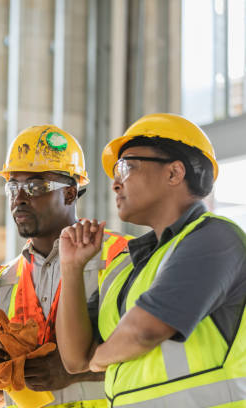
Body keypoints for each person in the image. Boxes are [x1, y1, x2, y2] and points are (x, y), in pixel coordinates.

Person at [56, 113, 246, 407]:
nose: (115, 184)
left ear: (174, 173)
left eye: (126, 167)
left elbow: (145, 330)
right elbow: (74, 360)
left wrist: (100, 358)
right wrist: (71, 268)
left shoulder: (216, 238)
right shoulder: (127, 269)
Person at [0, 125, 131, 408]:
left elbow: (152, 354)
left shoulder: (121, 257)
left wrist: (77, 370)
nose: (19, 198)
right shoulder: (3, 281)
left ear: (70, 194)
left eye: (35, 187)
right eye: (13, 187)